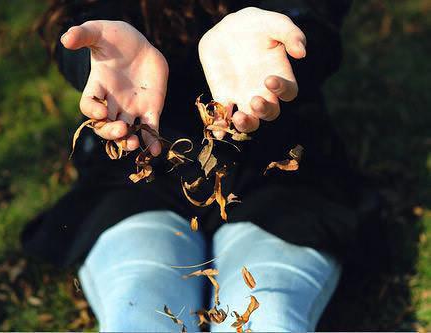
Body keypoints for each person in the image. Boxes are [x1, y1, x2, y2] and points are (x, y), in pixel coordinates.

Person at [22, 0, 362, 331]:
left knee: (266, 315)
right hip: (136, 174)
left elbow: (317, 17)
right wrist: (97, 55)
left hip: (273, 170)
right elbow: (79, 23)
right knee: (138, 311)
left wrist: (284, 31)